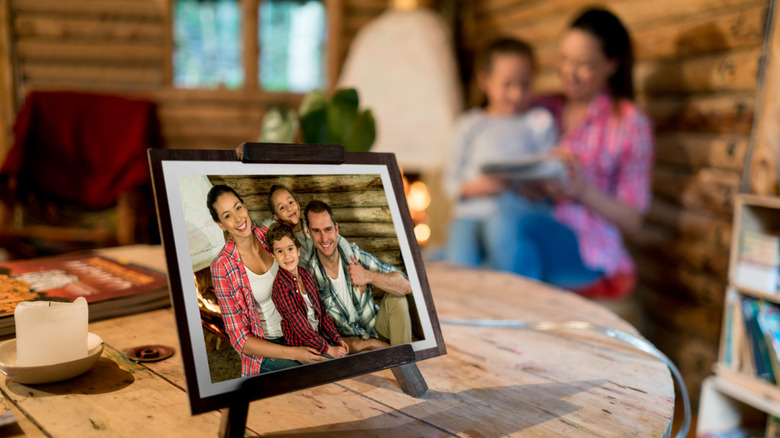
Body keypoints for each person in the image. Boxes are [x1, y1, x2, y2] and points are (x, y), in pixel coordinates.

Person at [513, 7, 654, 299]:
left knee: (510, 228)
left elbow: (634, 220)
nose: (569, 72)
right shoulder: (543, 108)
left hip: (588, 253)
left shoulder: (628, 123)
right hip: (537, 230)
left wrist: (581, 190)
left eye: (584, 65)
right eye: (564, 59)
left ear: (612, 64)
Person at [443, 37, 557, 271]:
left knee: (508, 250)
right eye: (507, 85)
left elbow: (550, 172)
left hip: (519, 214)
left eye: (525, 84)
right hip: (471, 216)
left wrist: (536, 187)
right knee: (460, 263)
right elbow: (450, 183)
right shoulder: (469, 125)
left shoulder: (538, 122)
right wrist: (479, 187)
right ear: (485, 82)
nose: (516, 94)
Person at [207, 184, 327, 377]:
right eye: (227, 215)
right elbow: (240, 340)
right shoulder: (222, 267)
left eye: (238, 208)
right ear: (220, 224)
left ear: (245, 207)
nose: (238, 218)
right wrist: (296, 353)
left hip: (299, 331)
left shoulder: (268, 235)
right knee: (310, 376)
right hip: (267, 349)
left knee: (333, 366)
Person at [304, 200, 413, 352]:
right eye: (316, 231)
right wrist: (369, 345)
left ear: (337, 229)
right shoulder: (309, 277)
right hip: (351, 348)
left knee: (397, 298)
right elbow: (321, 336)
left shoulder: (354, 255)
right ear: (308, 232)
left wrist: (368, 276)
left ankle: (405, 363)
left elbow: (407, 285)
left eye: (328, 229)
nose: (324, 238)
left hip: (376, 330)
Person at [267, 222, 348, 358]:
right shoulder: (280, 288)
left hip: (319, 337)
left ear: (298, 250)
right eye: (280, 251)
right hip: (301, 345)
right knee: (334, 364)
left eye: (290, 249)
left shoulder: (306, 275)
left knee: (346, 355)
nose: (287, 256)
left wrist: (336, 338)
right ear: (274, 256)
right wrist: (329, 349)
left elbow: (321, 310)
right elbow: (301, 328)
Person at [264, 184, 351, 266]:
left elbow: (338, 240)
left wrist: (351, 263)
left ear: (298, 205)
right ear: (276, 217)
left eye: (290, 202)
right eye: (282, 207)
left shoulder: (312, 227)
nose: (289, 208)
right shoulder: (280, 236)